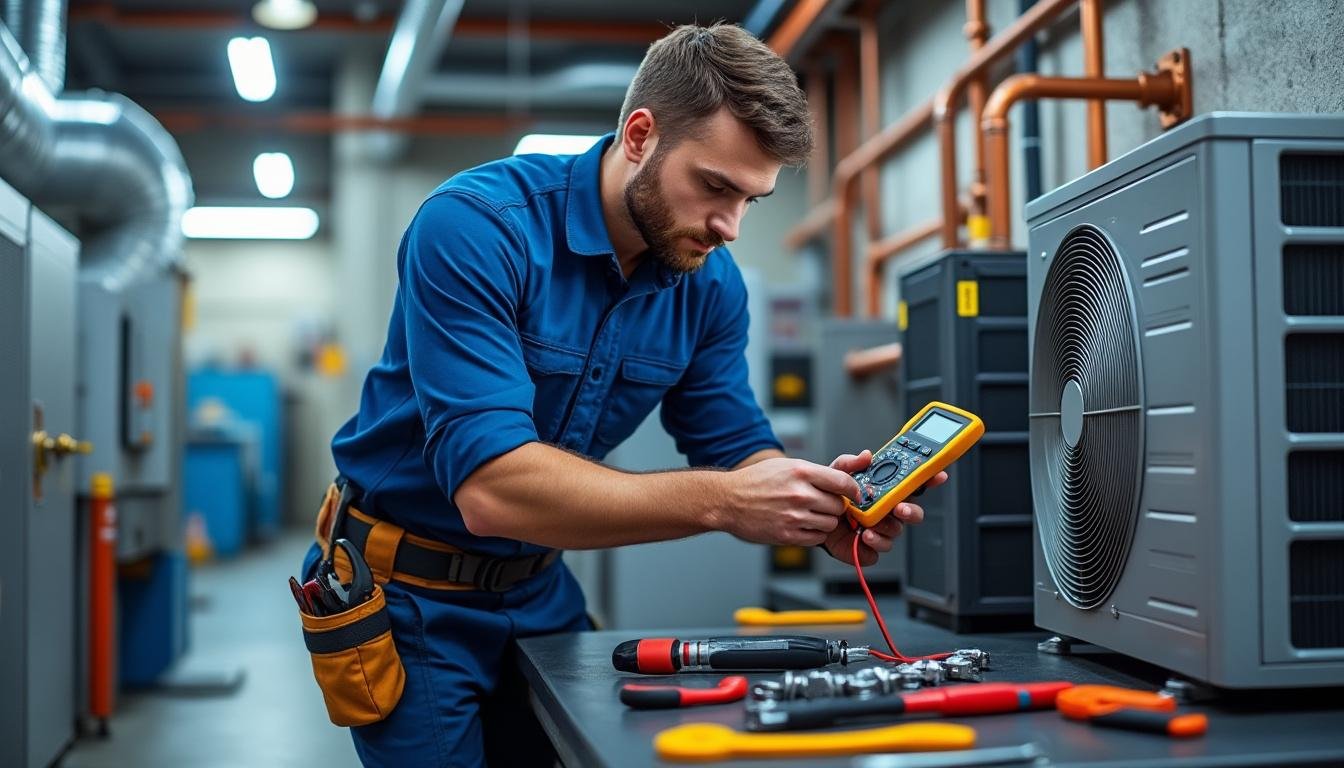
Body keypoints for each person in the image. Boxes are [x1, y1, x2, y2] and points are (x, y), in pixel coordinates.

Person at [302, 21, 945, 767]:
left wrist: (810, 504)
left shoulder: (710, 286)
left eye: (751, 201)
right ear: (639, 135)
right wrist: (726, 502)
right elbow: (492, 491)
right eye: (714, 187)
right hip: (407, 592)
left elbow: (735, 448)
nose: (729, 226)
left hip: (539, 585)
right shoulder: (476, 228)